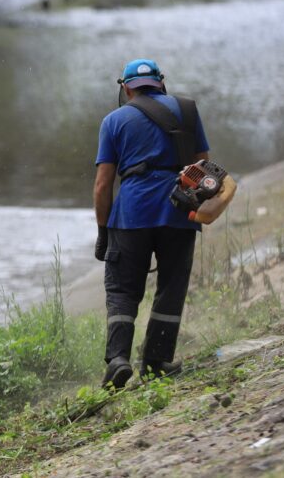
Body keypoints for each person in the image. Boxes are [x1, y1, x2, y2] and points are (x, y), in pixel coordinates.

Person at [92, 59, 209, 389]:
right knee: (171, 285)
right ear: (161, 83)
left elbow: (103, 184)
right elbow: (204, 164)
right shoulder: (187, 110)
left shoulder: (114, 120)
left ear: (125, 87)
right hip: (178, 210)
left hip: (132, 213)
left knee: (122, 288)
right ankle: (156, 362)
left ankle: (117, 360)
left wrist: (103, 231)